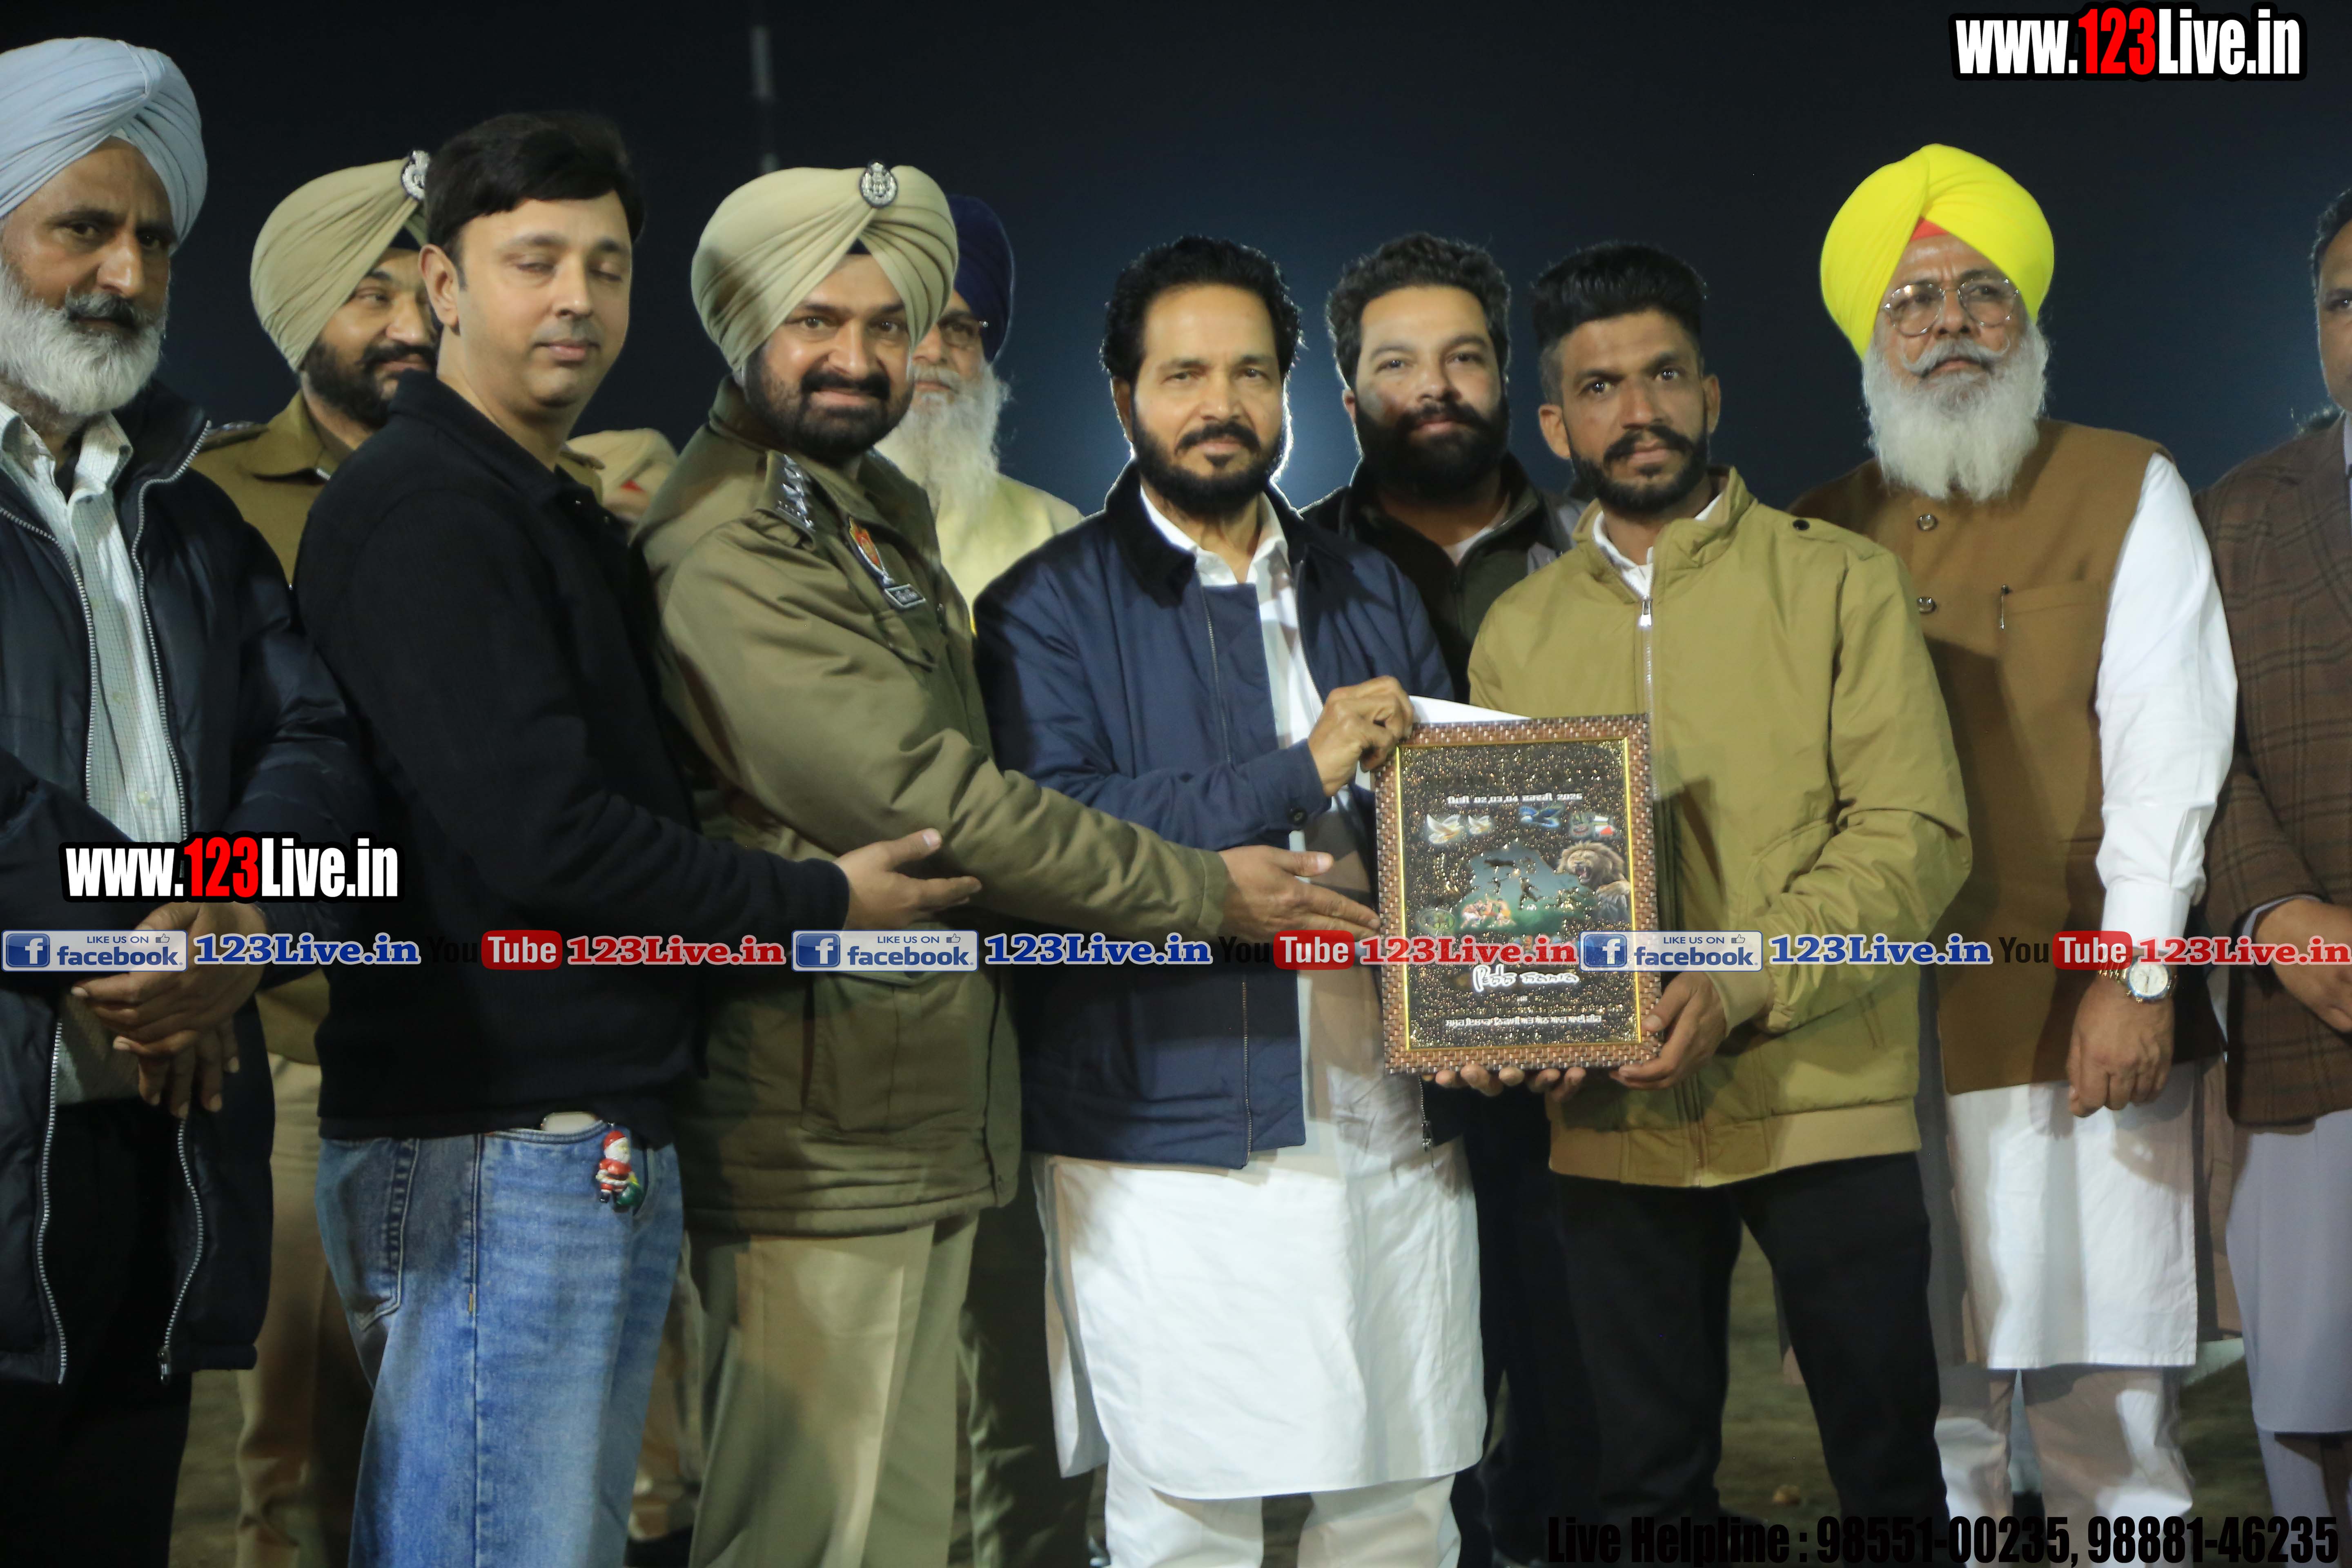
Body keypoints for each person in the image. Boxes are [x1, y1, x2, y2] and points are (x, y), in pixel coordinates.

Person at [636, 165, 1376, 1568]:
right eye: (816, 322)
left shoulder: (853, 510)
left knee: (905, 1523)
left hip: (910, 1097)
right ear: (742, 328)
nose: (866, 357)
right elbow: (940, 805)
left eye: (891, 324)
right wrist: (1204, 889)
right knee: (815, 1526)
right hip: (819, 1115)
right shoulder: (737, 541)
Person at [294, 119, 973, 1568]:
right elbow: (545, 838)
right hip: (493, 1130)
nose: (576, 301)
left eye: (605, 268)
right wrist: (813, 900)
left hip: (569, 1123)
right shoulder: (426, 508)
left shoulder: (537, 506)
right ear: (443, 284)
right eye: (533, 262)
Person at [973, 234, 1476, 1568]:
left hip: (1388, 1113)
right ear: (1124, 395)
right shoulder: (1043, 607)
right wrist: (1297, 773)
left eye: (1252, 373)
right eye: (1184, 374)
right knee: (1186, 1508)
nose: (1222, 404)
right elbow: (1050, 829)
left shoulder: (1370, 586)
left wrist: (1505, 986)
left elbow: (1457, 827)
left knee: (1401, 1494)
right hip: (1161, 1129)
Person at [1467, 242, 1969, 1526]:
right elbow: (1507, 886)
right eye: (1599, 387)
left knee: (1890, 1478)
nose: (1637, 410)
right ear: (1555, 422)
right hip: (1611, 1123)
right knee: (1645, 1490)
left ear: (1712, 394)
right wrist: (1515, 1017)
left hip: (1825, 1097)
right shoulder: (1517, 632)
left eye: (1664, 375)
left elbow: (1914, 834)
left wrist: (1739, 979)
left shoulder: (1839, 579)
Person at [1796, 144, 2235, 1524]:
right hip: (1877, 1039)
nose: (1951, 327)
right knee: (1931, 1417)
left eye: (1984, 294)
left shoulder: (2125, 487)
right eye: (1913, 301)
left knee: (2110, 1423)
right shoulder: (1817, 531)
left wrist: (2137, 975)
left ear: (2028, 320)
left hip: (2073, 1019)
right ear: (1870, 336)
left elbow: (2171, 750)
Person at [0, 37, 370, 1566]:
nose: (126, 273)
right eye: (81, 228)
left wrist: (240, 918)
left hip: (163, 1151)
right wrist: (156, 923)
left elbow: (319, 749)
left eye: (153, 239)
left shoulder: (195, 521)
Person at [1302, 231, 1587, 1566]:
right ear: (1348, 390)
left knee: (1582, 1397)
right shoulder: (1292, 570)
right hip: (1371, 1052)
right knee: (1412, 1399)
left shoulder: (1594, 553)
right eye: (1397, 363)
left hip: (1575, 1052)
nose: (1434, 387)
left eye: (1464, 357)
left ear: (1505, 375)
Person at [193, 153, 441, 1568]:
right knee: (287, 1455)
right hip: (295, 1045)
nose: (408, 324)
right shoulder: (209, 501)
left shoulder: (538, 487)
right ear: (301, 315)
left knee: (469, 1444)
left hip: (483, 1040)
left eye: (427, 289)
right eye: (368, 292)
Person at [2193, 185, 2352, 1531]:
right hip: (2312, 1025)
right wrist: (2276, 906)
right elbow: (2195, 747)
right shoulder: (2237, 515)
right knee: (2316, 1403)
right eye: (2346, 302)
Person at [875, 193, 1082, 606]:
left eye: (959, 329)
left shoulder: (1055, 533)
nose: (934, 351)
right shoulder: (802, 514)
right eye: (909, 325)